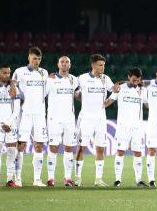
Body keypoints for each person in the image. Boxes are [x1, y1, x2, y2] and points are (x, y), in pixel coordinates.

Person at [75, 54, 115, 187]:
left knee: (100, 149)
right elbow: (74, 91)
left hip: (100, 119)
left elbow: (115, 89)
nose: (103, 67)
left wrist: (109, 101)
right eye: (100, 65)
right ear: (93, 65)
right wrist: (83, 99)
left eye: (103, 65)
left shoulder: (106, 79)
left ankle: (98, 179)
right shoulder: (82, 78)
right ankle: (77, 177)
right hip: (86, 118)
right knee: (81, 148)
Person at [13, 47, 49, 187]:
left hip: (40, 114)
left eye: (39, 59)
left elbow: (46, 91)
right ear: (29, 57)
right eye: (35, 58)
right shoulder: (19, 71)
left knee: (39, 145)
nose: (37, 61)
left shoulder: (44, 73)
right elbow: (12, 86)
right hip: (25, 113)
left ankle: (37, 179)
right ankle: (18, 178)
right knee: (21, 145)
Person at [45, 56, 79, 187]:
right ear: (58, 64)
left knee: (69, 147)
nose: (64, 64)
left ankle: (67, 177)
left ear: (70, 65)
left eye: (67, 62)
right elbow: (42, 96)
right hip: (54, 118)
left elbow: (78, 95)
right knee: (53, 147)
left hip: (69, 119)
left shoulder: (74, 80)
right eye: (62, 62)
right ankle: (51, 178)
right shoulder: (50, 80)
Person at [0, 64, 22, 187]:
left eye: (8, 73)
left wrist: (9, 122)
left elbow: (17, 109)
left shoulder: (14, 89)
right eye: (4, 73)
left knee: (12, 152)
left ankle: (10, 179)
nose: (7, 75)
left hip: (11, 124)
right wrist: (2, 122)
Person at [111, 68, 148, 188]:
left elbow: (148, 105)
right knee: (120, 151)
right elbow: (110, 100)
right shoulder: (120, 88)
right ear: (128, 77)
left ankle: (138, 180)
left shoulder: (143, 90)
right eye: (133, 80)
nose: (135, 82)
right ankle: (117, 179)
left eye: (137, 80)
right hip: (123, 126)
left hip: (137, 127)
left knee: (138, 152)